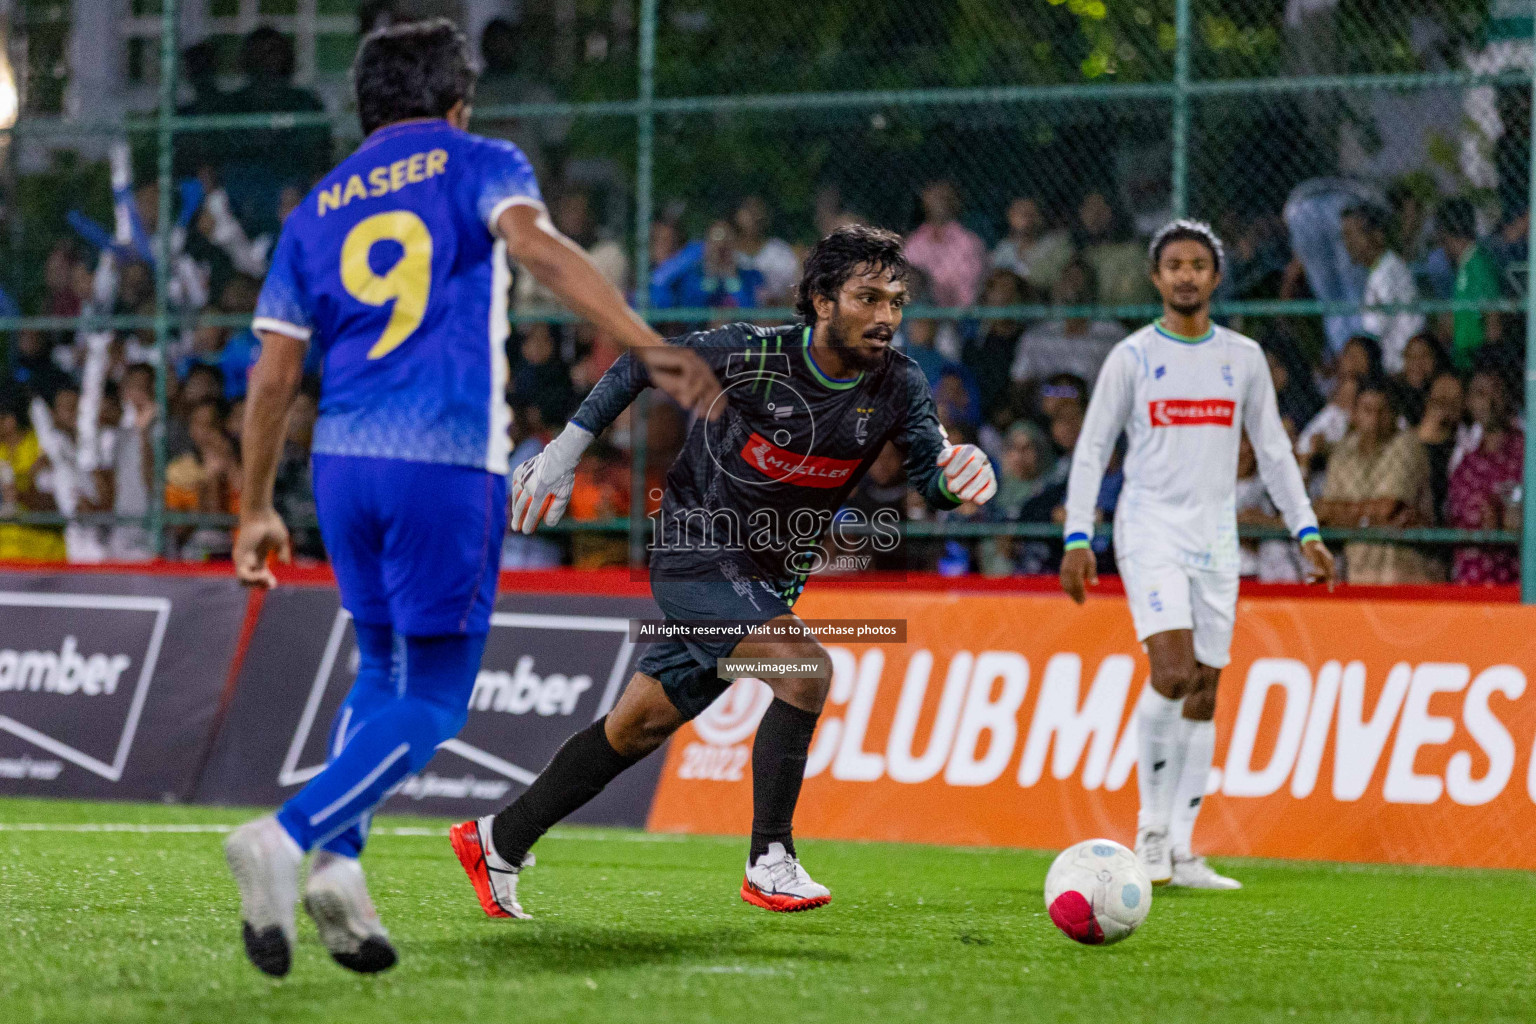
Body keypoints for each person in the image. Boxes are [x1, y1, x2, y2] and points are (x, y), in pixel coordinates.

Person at [220, 19, 718, 981]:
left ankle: (339, 870)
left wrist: (253, 506)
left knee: (382, 672)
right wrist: (643, 341)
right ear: (458, 101)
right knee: (439, 700)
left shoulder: (317, 206)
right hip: (443, 461)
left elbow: (274, 374)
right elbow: (536, 248)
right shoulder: (475, 159)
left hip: (340, 466)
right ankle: (288, 836)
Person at [449, 226, 997, 919]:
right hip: (694, 552)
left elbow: (934, 475)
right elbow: (641, 363)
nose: (887, 316)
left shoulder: (900, 384)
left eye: (896, 299)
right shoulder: (752, 352)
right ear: (822, 301)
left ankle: (497, 837)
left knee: (635, 729)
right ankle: (771, 859)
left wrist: (963, 475)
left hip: (766, 579)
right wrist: (565, 451)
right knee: (805, 671)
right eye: (868, 297)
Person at [1059, 219, 1335, 891]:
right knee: (1174, 671)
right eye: (1173, 264)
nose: (1185, 274)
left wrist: (1307, 531)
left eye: (1197, 264)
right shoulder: (1131, 357)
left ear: (1215, 277)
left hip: (1216, 537)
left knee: (1207, 690)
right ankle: (1149, 830)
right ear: (1156, 278)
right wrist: (1076, 535)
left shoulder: (1241, 358)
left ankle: (1182, 851)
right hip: (1149, 527)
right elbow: (1094, 449)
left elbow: (1273, 449)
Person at [1315, 381, 1441, 583]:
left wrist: (1342, 514)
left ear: (1394, 415)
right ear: (1354, 414)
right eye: (1367, 410)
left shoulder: (1407, 445)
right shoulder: (1342, 452)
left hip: (1404, 576)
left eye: (1382, 411)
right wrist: (1371, 518)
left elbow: (1387, 508)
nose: (1374, 419)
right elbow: (1323, 514)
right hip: (1358, 576)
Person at [1446, 369, 1523, 585]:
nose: (1488, 401)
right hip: (1473, 576)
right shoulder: (1464, 458)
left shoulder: (1526, 452)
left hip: (1516, 575)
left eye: (1494, 391)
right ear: (1469, 402)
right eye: (1480, 393)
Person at [1009, 257, 1124, 386]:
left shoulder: (1112, 334)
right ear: (1057, 286)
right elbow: (1020, 381)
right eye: (1068, 278)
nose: (1073, 285)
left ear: (1091, 287)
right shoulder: (1036, 336)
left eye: (1079, 279)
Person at [1340, 203, 1424, 373]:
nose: (1347, 244)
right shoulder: (1381, 269)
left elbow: (1373, 331)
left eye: (1352, 235)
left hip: (1400, 369)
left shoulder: (1388, 273)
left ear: (1377, 236)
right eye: (1344, 237)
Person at [1437, 198, 1504, 372]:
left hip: (1475, 362)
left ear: (1444, 232)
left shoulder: (1479, 264)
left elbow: (1493, 323)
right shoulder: (1465, 265)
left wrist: (1486, 366)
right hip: (1463, 359)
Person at [905, 180, 986, 308]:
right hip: (919, 316)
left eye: (943, 197)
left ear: (956, 203)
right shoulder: (914, 242)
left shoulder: (968, 242)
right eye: (933, 197)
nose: (937, 202)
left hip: (958, 315)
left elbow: (970, 287)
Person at [990, 195, 1072, 292]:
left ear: (1040, 217)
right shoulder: (1003, 248)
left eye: (1031, 213)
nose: (1027, 218)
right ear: (1010, 216)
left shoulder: (1056, 244)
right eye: (1021, 213)